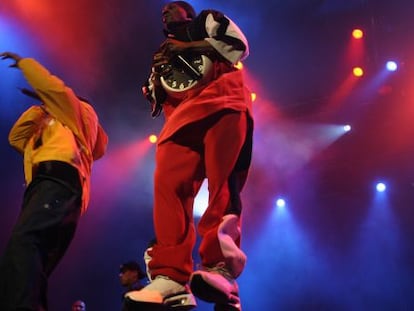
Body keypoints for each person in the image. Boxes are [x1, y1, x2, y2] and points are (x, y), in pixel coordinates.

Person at [125, 2, 253, 311]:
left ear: (189, 13)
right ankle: (170, 277)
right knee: (167, 186)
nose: (165, 12)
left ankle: (220, 270)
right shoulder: (162, 51)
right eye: (162, 12)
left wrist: (185, 47)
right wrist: (152, 83)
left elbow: (238, 46)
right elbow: (160, 95)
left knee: (221, 186)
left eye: (173, 8)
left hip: (222, 102)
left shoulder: (207, 21)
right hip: (181, 119)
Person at [0, 52, 108, 311]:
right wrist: (41, 109)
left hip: (57, 181)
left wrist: (27, 65)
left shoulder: (77, 113)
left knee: (24, 245)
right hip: (52, 186)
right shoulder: (56, 123)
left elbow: (53, 87)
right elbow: (16, 138)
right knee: (34, 261)